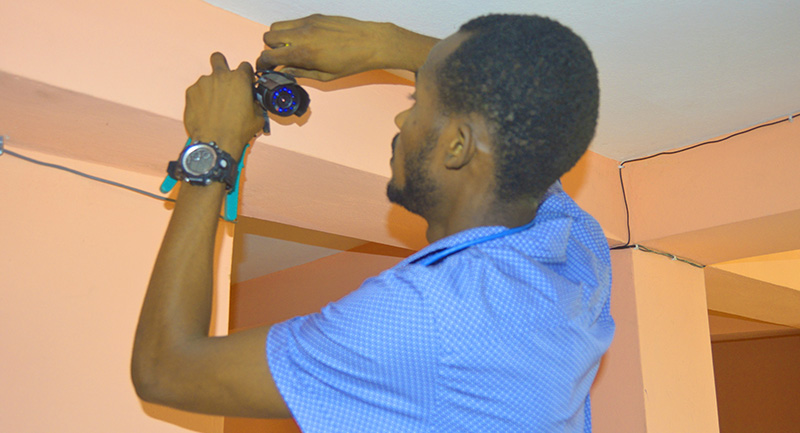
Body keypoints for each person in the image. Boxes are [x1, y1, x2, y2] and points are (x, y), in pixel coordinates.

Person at [132, 14, 614, 432]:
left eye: (417, 103)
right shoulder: (574, 253)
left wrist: (213, 146)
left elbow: (164, 369)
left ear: (458, 146)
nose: (402, 121)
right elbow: (532, 108)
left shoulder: (424, 313)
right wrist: (383, 43)